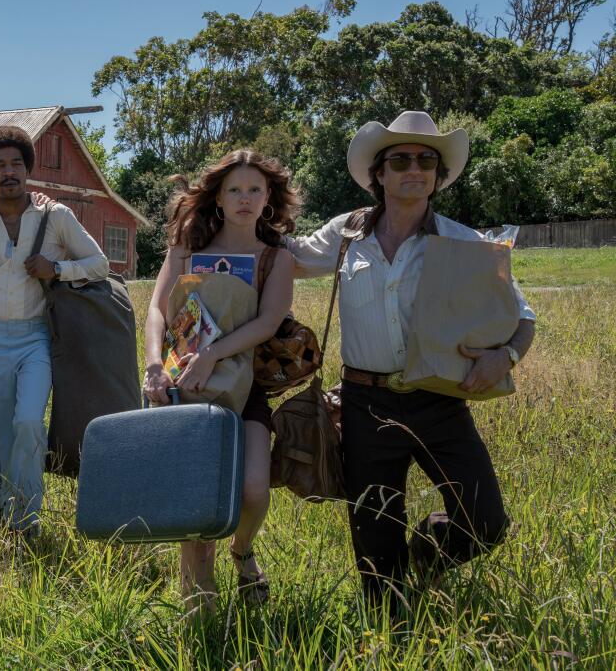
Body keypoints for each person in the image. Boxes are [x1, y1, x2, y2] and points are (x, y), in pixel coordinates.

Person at [287, 111, 537, 605]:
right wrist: (221, 230)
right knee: (376, 545)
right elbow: (288, 258)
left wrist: (504, 357)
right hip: (364, 404)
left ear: (439, 176)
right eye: (399, 159)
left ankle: (424, 556)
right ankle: (391, 624)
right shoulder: (346, 233)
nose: (414, 169)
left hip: (439, 399)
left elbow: (523, 317)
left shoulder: (463, 242)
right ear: (379, 174)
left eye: (427, 160)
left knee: (484, 523)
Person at [143, 149, 299, 606]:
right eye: (235, 189)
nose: (245, 198)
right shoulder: (186, 250)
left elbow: (268, 322)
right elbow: (155, 309)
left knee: (253, 489)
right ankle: (198, 599)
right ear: (219, 198)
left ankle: (243, 551)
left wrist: (212, 354)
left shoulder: (276, 259)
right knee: (196, 494)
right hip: (181, 386)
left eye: (254, 189)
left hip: (243, 386)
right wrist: (154, 363)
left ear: (268, 196)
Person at [0, 126, 109, 538]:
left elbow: (100, 263)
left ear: (27, 170)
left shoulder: (55, 216)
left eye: (16, 164)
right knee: (0, 430)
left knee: (28, 423)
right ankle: (6, 516)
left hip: (36, 337)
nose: (9, 173)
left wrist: (58, 269)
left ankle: (29, 517)